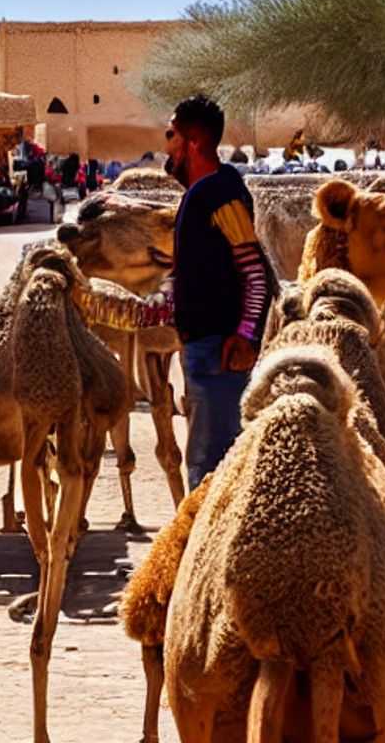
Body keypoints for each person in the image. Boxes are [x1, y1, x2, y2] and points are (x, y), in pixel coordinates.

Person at [163, 94, 273, 490]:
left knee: (212, 473)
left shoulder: (218, 192)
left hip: (218, 355)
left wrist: (245, 335)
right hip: (204, 351)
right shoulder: (202, 195)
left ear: (192, 141)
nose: (166, 145)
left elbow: (256, 273)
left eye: (171, 134)